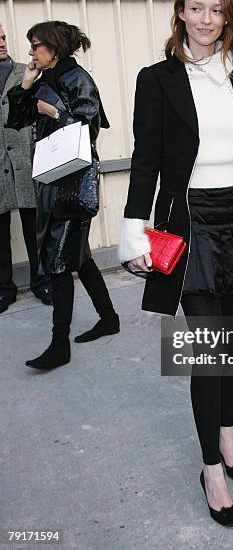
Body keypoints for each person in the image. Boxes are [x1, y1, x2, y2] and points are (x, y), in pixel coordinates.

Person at [119, 0, 233, 526]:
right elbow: (145, 163)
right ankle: (211, 468)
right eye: (196, 8)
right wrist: (134, 231)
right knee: (208, 353)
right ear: (181, 12)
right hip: (192, 222)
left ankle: (227, 436)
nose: (206, 19)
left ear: (227, 16)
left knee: (232, 343)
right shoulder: (157, 79)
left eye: (216, 9)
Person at [6, 20, 120, 370]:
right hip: (52, 180)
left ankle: (59, 344)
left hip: (73, 183)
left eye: (36, 45)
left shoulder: (78, 79)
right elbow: (16, 119)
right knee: (78, 255)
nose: (31, 51)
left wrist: (55, 112)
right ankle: (109, 318)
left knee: (57, 259)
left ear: (54, 46)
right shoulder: (46, 79)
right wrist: (26, 83)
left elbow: (90, 128)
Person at [0, 23, 52, 313]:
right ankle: (4, 287)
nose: (2, 42)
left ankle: (41, 280)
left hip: (28, 160)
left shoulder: (28, 72)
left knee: (36, 226)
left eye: (4, 36)